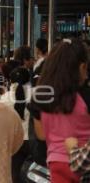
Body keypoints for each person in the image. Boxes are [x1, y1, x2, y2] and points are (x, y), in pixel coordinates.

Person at [31, 39, 90, 183]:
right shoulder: (86, 95)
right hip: (85, 166)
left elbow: (42, 135)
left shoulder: (40, 96)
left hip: (55, 163)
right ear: (82, 67)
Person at [0, 67, 31, 183]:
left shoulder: (3, 99)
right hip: (33, 142)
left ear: (9, 81)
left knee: (14, 175)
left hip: (12, 142)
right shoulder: (38, 95)